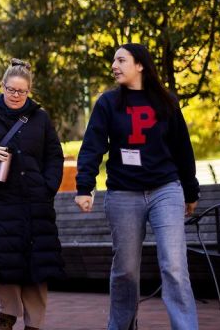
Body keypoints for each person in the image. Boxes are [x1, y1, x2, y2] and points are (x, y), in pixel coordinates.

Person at [75, 44, 200, 330]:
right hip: (123, 194)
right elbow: (93, 146)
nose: (114, 66)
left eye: (121, 60)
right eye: (113, 60)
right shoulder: (107, 103)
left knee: (174, 266)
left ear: (140, 65)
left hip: (164, 191)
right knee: (125, 272)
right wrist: (85, 186)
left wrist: (190, 191)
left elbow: (183, 149)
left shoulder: (166, 102)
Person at [0, 59, 65, 330]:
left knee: (37, 265)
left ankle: (34, 323)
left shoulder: (40, 117)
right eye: (11, 90)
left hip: (34, 203)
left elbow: (54, 154)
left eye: (22, 91)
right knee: (4, 262)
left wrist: (48, 186)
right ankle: (8, 314)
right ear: (2, 86)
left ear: (29, 90)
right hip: (0, 201)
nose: (16, 96)